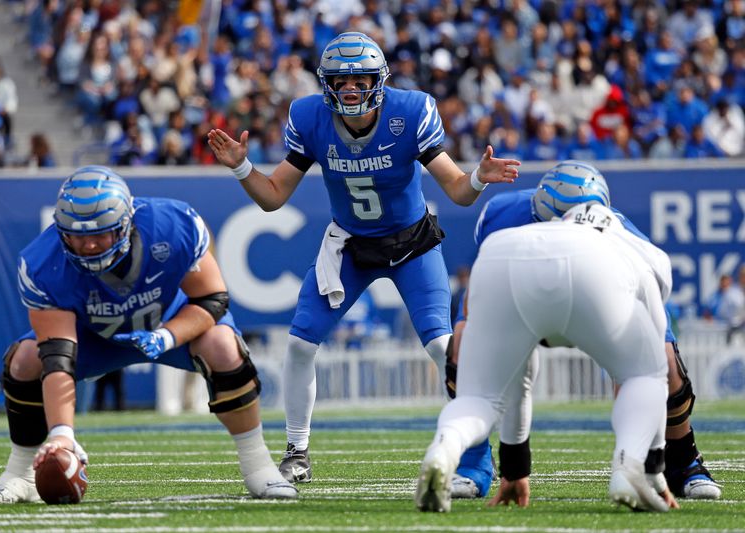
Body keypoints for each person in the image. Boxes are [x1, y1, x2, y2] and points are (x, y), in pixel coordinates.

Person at [206, 31, 520, 487]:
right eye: (340, 81)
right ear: (326, 84)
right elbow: (273, 198)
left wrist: (477, 177)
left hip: (411, 244)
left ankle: (474, 461)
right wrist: (241, 167)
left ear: (380, 80)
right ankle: (297, 450)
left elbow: (456, 190)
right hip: (349, 246)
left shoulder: (409, 111)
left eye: (360, 80)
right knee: (299, 344)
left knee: (442, 348)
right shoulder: (309, 116)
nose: (350, 89)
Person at [0, 166, 297, 504]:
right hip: (95, 337)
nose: (89, 245)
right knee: (25, 360)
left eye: (102, 234)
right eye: (78, 236)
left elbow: (212, 299)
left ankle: (259, 466)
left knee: (223, 346)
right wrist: (61, 434)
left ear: (127, 224)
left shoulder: (173, 225)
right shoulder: (43, 262)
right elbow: (57, 356)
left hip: (170, 323)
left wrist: (168, 337)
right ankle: (20, 474)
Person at [451, 160, 721, 500]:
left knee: (666, 367)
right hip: (523, 288)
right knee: (461, 351)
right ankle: (472, 462)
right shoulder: (504, 212)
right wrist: (466, 323)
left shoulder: (626, 238)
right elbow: (486, 269)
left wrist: (646, 448)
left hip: (601, 291)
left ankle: (684, 461)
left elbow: (649, 333)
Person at [416, 203, 679, 513]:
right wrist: (655, 470)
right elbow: (655, 364)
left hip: (502, 256)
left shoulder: (531, 229)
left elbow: (519, 379)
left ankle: (443, 449)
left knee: (479, 398)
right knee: (645, 375)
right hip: (596, 265)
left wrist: (515, 469)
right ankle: (628, 466)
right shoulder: (639, 250)